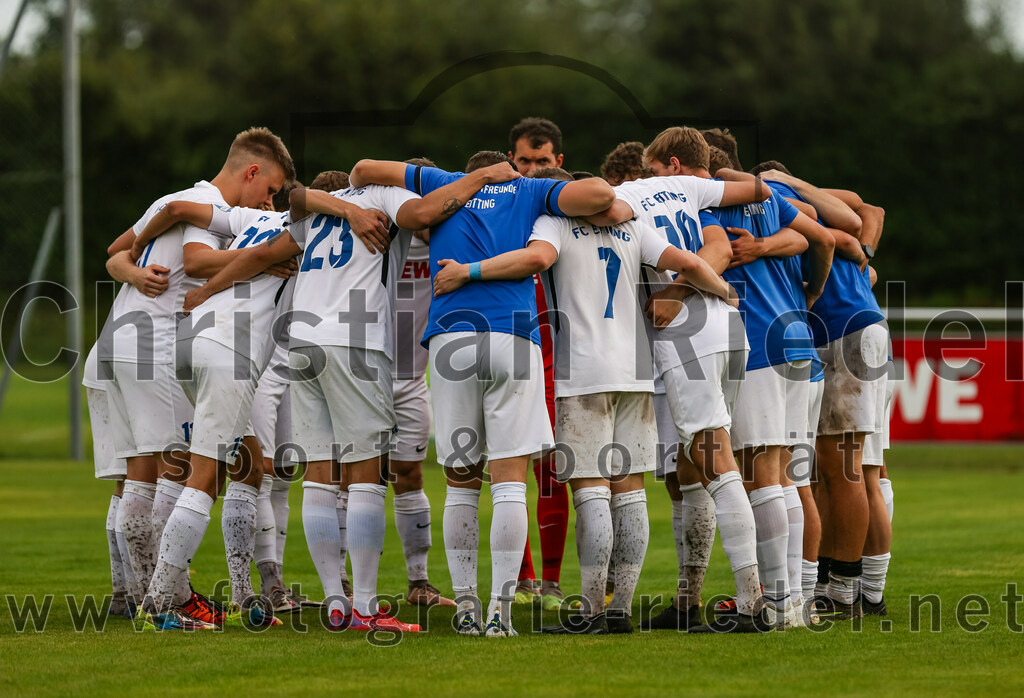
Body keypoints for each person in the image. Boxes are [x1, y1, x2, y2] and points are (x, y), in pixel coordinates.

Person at [433, 166, 739, 634]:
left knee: (591, 490)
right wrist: (725, 291)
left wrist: (467, 271)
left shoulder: (552, 223)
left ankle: (593, 609)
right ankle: (620, 610)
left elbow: (535, 260)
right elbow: (694, 264)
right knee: (630, 490)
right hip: (636, 370)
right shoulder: (632, 224)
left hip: (583, 371)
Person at [350, 151, 615, 636]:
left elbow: (362, 170)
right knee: (510, 482)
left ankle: (467, 608)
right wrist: (519, 183)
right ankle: (500, 612)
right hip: (514, 338)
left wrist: (471, 181)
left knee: (460, 483)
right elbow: (600, 194)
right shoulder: (532, 190)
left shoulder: (441, 180)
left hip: (451, 338)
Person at [98, 126, 293, 630]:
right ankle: (165, 602)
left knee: (147, 471)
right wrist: (265, 257)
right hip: (157, 341)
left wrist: (130, 268)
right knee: (176, 469)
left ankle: (148, 594)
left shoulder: (177, 198)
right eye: (270, 190)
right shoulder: (211, 205)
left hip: (122, 336)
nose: (270, 202)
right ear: (252, 172)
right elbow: (196, 262)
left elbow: (116, 250)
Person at [589, 126, 772, 633]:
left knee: (715, 459)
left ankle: (752, 601)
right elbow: (760, 189)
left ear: (660, 163)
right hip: (726, 326)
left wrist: (673, 291)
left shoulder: (625, 198)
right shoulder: (689, 187)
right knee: (690, 468)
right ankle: (688, 600)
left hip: (687, 336)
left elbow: (605, 217)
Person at [701, 146, 835, 628]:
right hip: (799, 342)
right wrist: (812, 292)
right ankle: (796, 601)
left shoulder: (707, 205)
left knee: (764, 477)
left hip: (760, 345)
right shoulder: (770, 198)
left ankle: (777, 605)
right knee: (791, 480)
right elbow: (820, 237)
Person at [753, 164, 889, 620]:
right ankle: (844, 584)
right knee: (842, 470)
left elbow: (857, 222)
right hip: (852, 329)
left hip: (843, 330)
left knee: (843, 468)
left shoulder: (777, 197)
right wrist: (860, 254)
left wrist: (792, 185)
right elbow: (864, 217)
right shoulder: (803, 201)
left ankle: (847, 590)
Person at [506, 119, 572, 609]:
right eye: (524, 161)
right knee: (508, 466)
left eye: (541, 161)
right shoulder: (499, 209)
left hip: (558, 357)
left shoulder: (569, 210)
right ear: (510, 160)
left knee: (552, 470)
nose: (531, 170)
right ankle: (522, 579)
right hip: (509, 350)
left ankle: (551, 581)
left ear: (559, 162)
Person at [388, 158, 455, 608]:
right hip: (362, 374)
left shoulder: (449, 242)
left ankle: (419, 583)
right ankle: (344, 588)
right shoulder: (379, 235)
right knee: (347, 480)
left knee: (410, 475)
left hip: (413, 378)